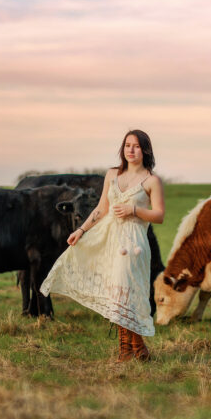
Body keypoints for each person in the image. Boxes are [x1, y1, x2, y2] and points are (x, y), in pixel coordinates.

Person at [40, 129, 165, 361]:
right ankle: (130, 350)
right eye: (127, 145)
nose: (131, 150)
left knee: (130, 294)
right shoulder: (112, 175)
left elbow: (159, 215)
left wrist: (134, 210)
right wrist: (80, 230)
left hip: (134, 243)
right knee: (118, 294)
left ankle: (134, 348)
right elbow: (101, 209)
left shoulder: (151, 180)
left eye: (136, 146)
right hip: (110, 241)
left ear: (145, 150)